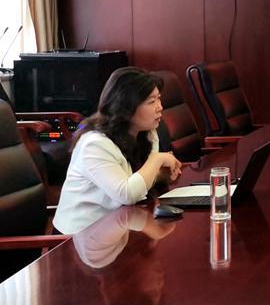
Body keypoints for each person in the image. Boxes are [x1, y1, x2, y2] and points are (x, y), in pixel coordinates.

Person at [54, 67, 182, 234]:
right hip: (79, 239)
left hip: (120, 228)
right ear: (126, 107)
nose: (160, 107)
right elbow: (127, 194)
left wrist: (157, 175)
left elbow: (136, 184)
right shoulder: (94, 144)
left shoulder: (147, 133)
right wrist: (156, 160)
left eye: (159, 99)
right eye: (151, 102)